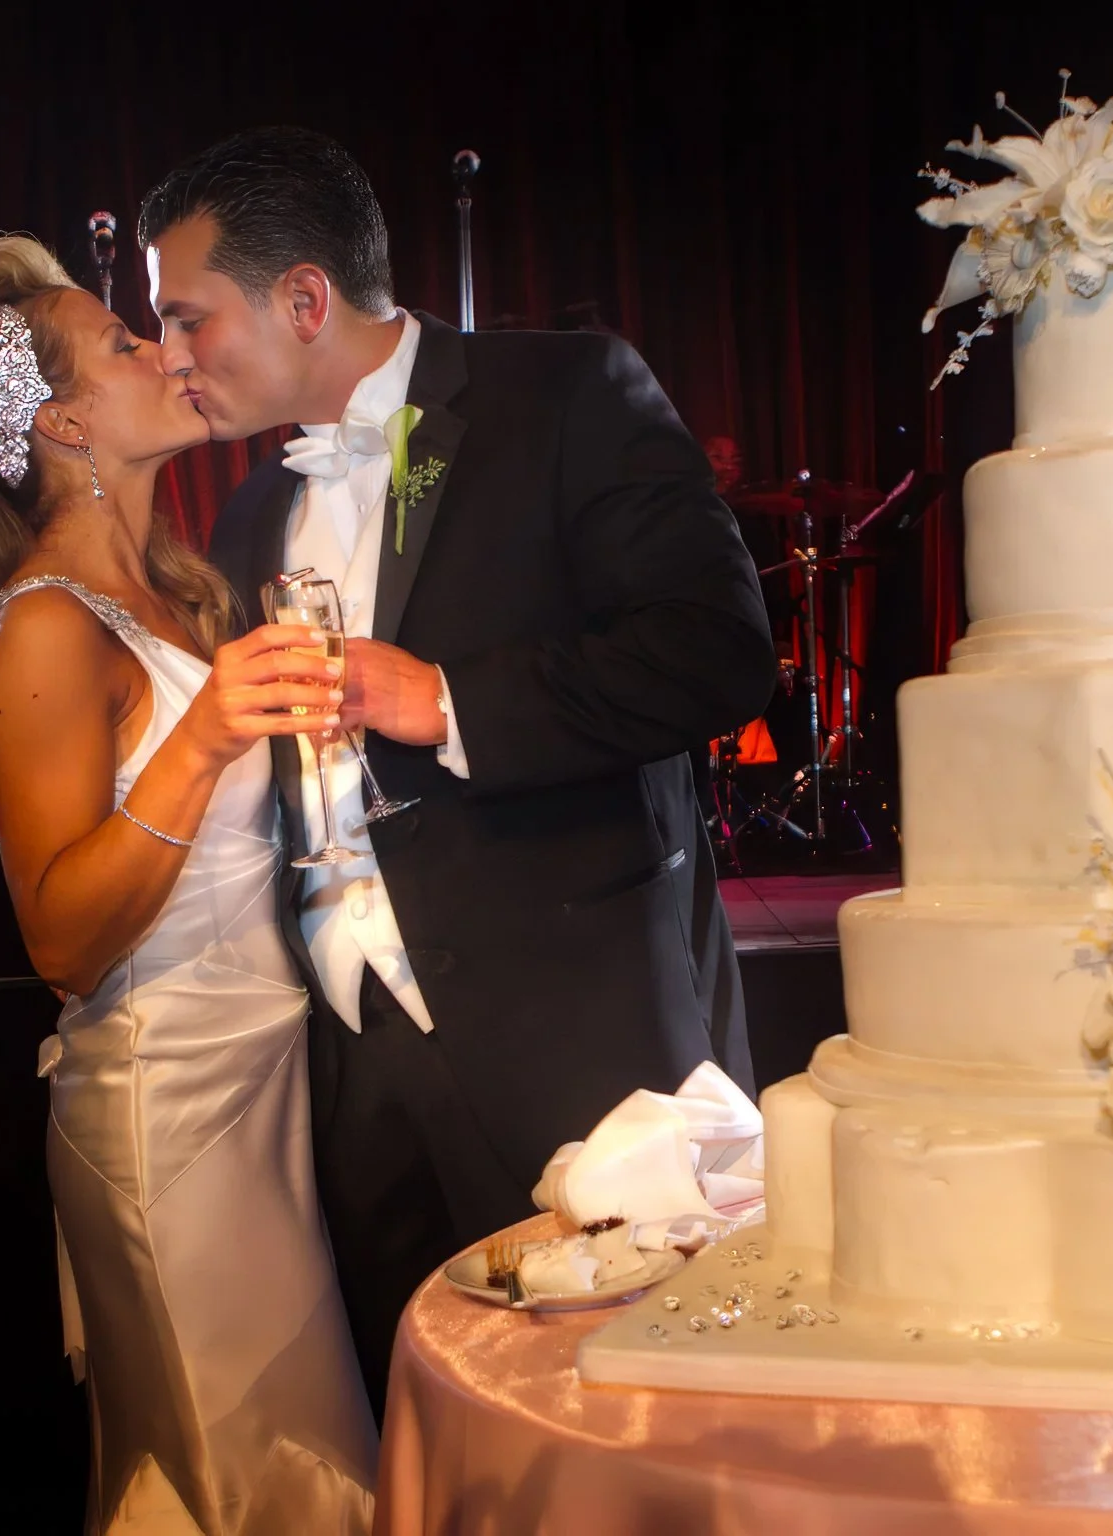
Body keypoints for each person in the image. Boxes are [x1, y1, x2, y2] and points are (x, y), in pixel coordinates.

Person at [138, 127, 777, 1415]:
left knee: (628, 1414)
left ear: (305, 299)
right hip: (350, 1054)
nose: (171, 358)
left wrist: (438, 698)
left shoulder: (571, 396)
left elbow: (717, 657)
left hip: (572, 1029)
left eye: (187, 319)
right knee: (426, 1420)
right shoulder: (253, 514)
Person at [0, 236, 380, 1531]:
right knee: (241, 1490)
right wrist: (209, 734)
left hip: (261, 1094)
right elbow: (63, 945)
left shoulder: (181, 594)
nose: (166, 349)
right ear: (65, 422)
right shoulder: (37, 629)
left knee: (299, 1470)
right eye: (124, 342)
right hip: (172, 1120)